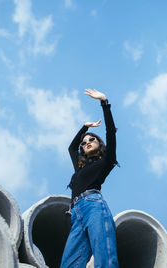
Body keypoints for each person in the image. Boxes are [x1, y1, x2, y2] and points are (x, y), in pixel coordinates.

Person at [60, 89, 119, 268]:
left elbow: (111, 132)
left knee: (104, 258)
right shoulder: (80, 167)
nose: (87, 143)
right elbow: (71, 148)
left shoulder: (105, 161)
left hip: (93, 206)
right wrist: (85, 127)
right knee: (69, 264)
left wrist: (104, 103)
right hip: (76, 214)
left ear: (99, 143)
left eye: (91, 139)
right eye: (84, 143)